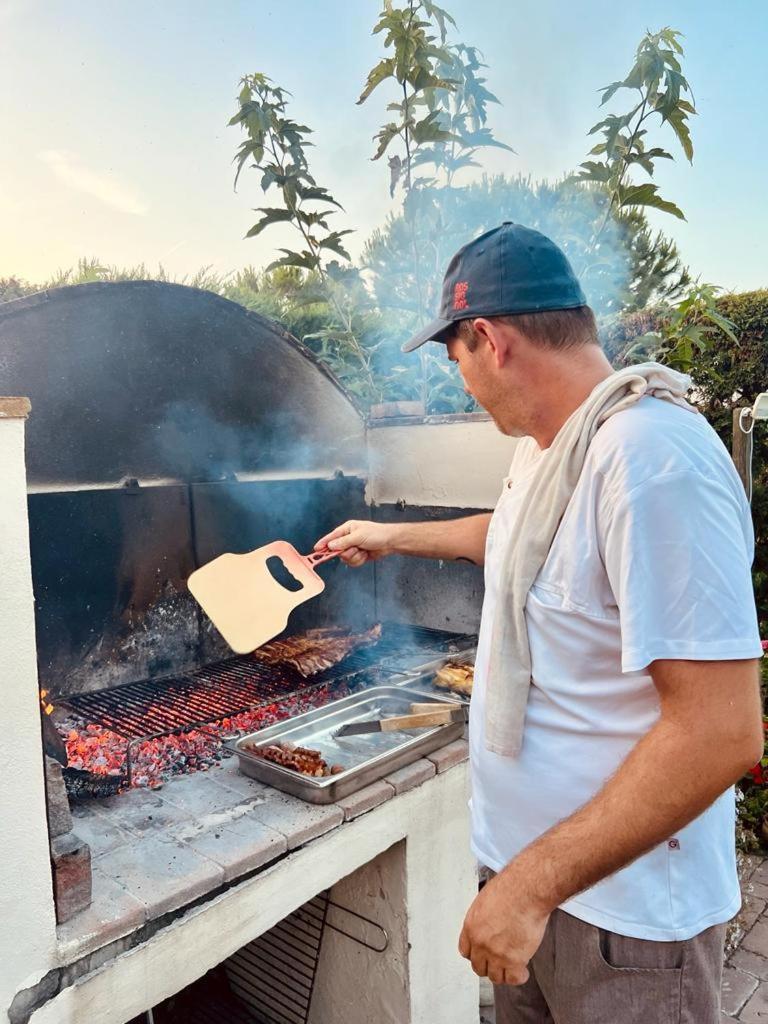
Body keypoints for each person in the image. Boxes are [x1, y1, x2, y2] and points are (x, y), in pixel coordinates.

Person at [315, 223, 764, 1024]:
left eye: (455, 361)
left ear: (489, 339)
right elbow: (516, 536)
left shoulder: (653, 461)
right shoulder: (556, 447)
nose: (462, 386)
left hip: (623, 931)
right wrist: (389, 538)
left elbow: (720, 732)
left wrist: (528, 886)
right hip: (543, 902)